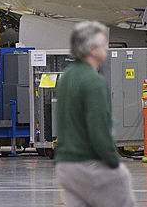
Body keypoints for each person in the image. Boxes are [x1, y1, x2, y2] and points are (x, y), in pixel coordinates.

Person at [54, 21, 135, 207]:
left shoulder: (67, 77)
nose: (107, 47)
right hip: (89, 164)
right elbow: (98, 129)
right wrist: (114, 161)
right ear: (91, 48)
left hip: (65, 165)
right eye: (103, 44)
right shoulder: (94, 82)